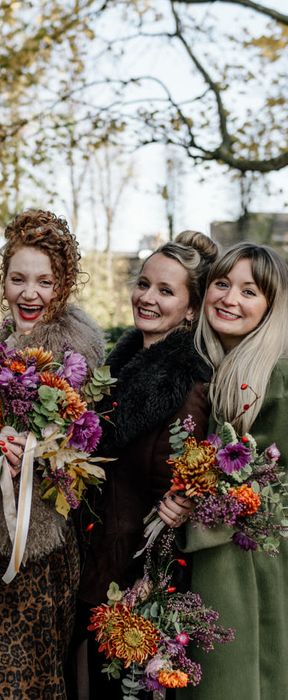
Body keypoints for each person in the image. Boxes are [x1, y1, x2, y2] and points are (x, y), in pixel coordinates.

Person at [0, 209, 105, 698]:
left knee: (36, 674)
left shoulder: (78, 358)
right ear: (3, 282)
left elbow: (91, 443)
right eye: (18, 278)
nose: (30, 293)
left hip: (48, 539)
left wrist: (41, 455)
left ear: (63, 285)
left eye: (44, 281)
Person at [76, 231, 219, 698]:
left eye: (166, 290)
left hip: (139, 593)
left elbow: (175, 502)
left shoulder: (187, 385)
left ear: (192, 308)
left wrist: (146, 587)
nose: (147, 298)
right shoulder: (121, 366)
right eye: (143, 284)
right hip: (101, 572)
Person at [179, 243, 288, 700]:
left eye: (249, 291)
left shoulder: (275, 377)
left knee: (233, 680)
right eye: (222, 284)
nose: (230, 299)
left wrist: (198, 496)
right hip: (192, 555)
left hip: (244, 559)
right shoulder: (195, 364)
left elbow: (272, 483)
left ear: (270, 307)